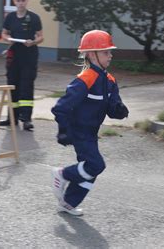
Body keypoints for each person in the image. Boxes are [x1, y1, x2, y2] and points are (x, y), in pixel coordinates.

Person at [50, 30, 129, 216]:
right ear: (92, 54)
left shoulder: (109, 80)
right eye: (105, 52)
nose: (110, 55)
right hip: (79, 131)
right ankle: (61, 174)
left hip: (92, 132)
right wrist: (64, 130)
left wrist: (119, 110)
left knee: (89, 169)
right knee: (96, 165)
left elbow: (111, 108)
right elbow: (61, 107)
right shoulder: (85, 79)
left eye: (110, 51)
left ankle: (68, 203)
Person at [0, 0, 44, 131]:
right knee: (12, 86)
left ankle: (26, 119)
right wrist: (9, 39)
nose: (20, 3)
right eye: (18, 0)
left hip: (29, 56)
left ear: (27, 1)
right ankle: (12, 118)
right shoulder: (10, 17)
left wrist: (34, 42)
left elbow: (41, 37)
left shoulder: (34, 18)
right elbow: (4, 34)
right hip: (14, 56)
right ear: (14, 2)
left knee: (26, 88)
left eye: (23, 0)